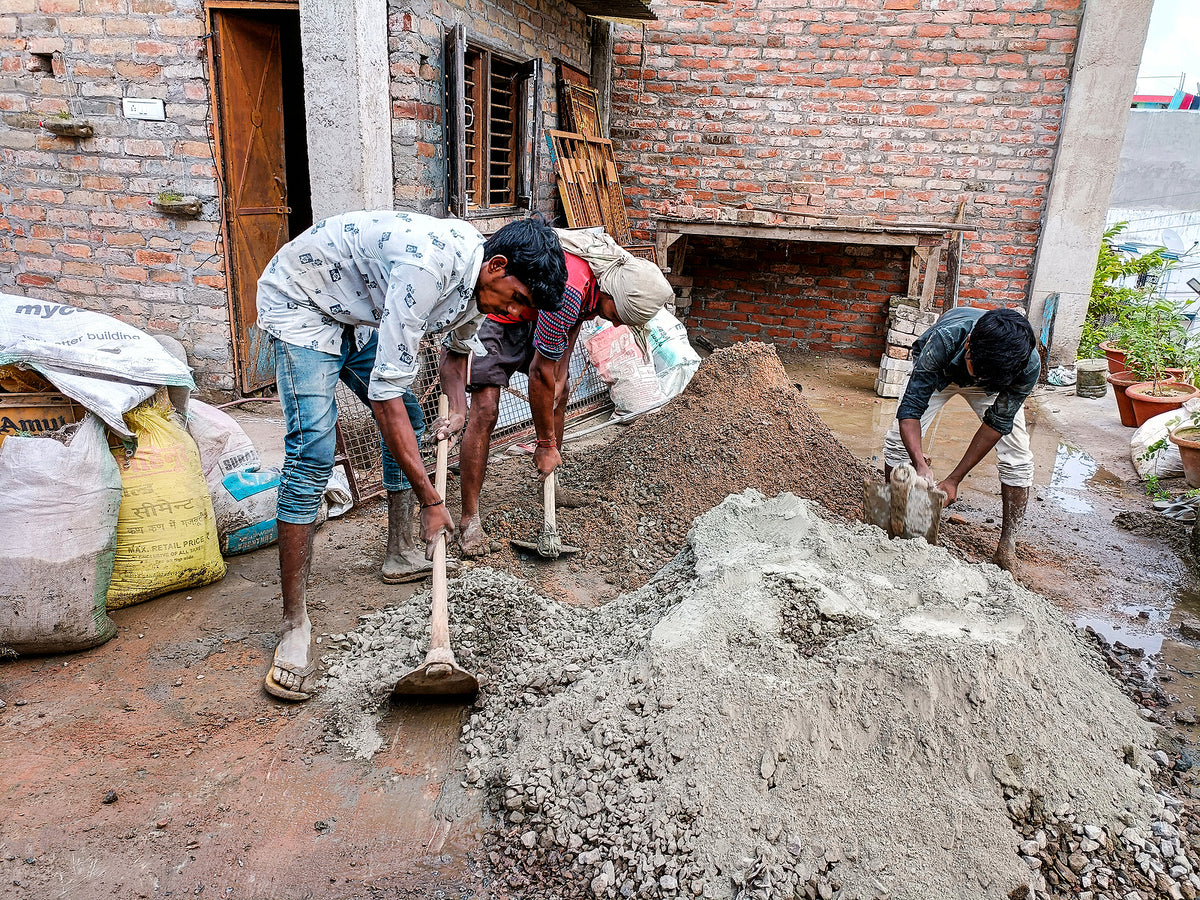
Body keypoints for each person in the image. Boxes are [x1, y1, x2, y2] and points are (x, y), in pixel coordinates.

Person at [255, 211, 566, 700]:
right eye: (518, 301)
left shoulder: (483, 279)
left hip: (356, 309)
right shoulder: (429, 269)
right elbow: (384, 398)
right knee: (312, 452)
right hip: (304, 301)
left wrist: (459, 407)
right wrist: (431, 500)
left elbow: (459, 348)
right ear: (497, 266)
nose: (514, 315)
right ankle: (295, 625)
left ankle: (400, 553)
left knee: (416, 420)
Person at [450, 233, 674, 556]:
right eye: (617, 314)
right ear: (613, 295)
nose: (614, 321)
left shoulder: (597, 286)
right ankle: (470, 519)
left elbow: (564, 347)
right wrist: (544, 443)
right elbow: (539, 374)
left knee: (561, 388)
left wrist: (561, 376)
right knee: (485, 408)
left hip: (536, 314)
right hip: (499, 313)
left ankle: (550, 487)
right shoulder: (573, 287)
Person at [881, 306, 1039, 573]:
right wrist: (920, 463)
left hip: (993, 378)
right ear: (968, 345)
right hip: (941, 371)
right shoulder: (944, 340)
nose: (976, 380)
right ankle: (894, 523)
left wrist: (954, 479)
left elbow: (996, 424)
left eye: (983, 377)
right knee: (897, 442)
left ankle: (1007, 548)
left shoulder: (1026, 364)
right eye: (975, 371)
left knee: (1018, 458)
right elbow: (911, 409)